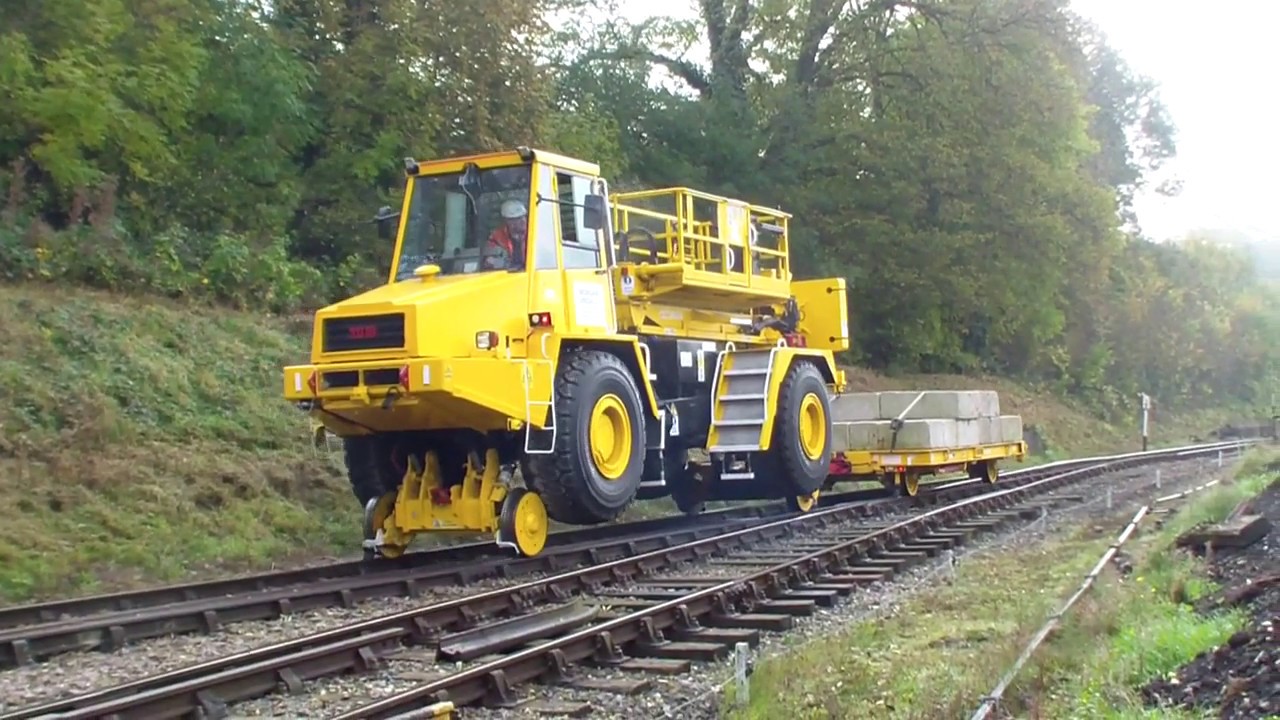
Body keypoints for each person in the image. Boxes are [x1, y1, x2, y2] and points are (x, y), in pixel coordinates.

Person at [486, 199, 528, 269]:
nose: (522, 221)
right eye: (517, 219)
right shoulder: (497, 237)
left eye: (523, 217)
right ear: (507, 221)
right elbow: (489, 260)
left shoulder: (535, 233)